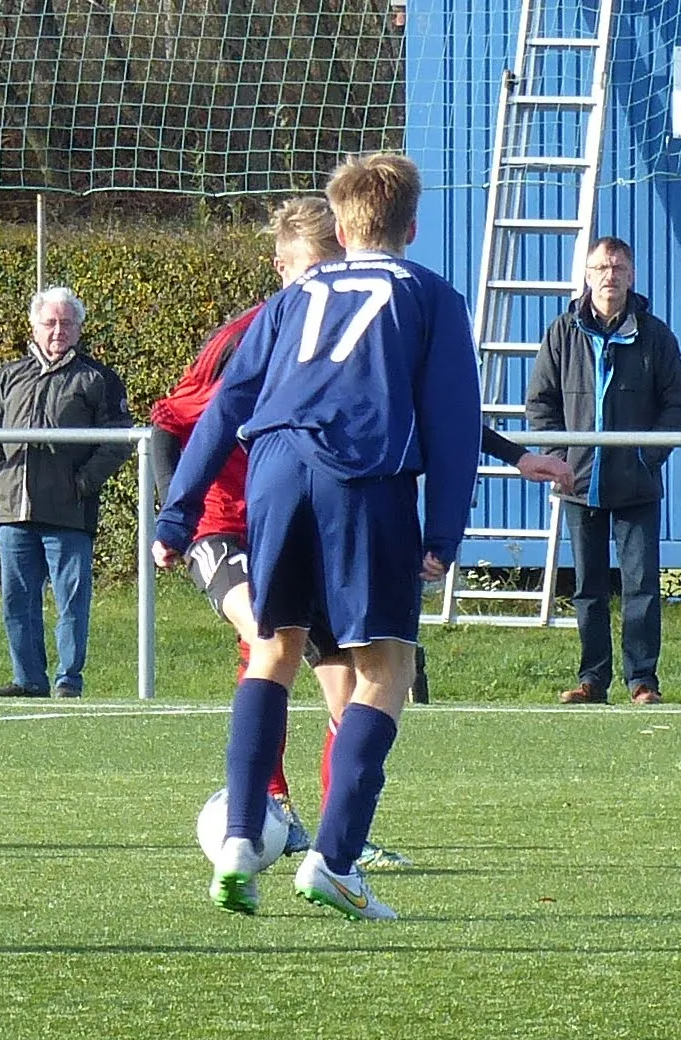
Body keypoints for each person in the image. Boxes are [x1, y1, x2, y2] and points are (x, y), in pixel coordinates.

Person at [151, 196, 573, 870]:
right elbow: (186, 416)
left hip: (290, 506)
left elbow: (428, 404)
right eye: (308, 266)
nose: (327, 278)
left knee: (338, 678)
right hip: (229, 522)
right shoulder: (266, 323)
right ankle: (273, 817)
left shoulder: (324, 309)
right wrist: (178, 511)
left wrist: (513, 453)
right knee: (280, 643)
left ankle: (307, 830)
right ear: (283, 267)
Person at [525, 236, 681, 706]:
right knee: (588, 588)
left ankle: (643, 680)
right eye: (601, 268)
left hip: (637, 483)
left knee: (641, 586)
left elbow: (678, 403)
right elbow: (540, 403)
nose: (609, 276)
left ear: (632, 275)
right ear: (587, 275)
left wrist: (647, 455)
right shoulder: (563, 332)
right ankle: (592, 680)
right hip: (578, 482)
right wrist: (558, 457)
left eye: (618, 268)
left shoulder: (655, 335)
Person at [0, 287, 132, 700]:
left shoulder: (97, 379)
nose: (58, 330)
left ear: (79, 328)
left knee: (71, 603)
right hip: (15, 511)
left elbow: (119, 439)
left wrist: (81, 483)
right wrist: (0, 475)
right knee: (17, 601)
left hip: (69, 514)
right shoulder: (9, 375)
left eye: (66, 323)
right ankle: (28, 679)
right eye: (50, 322)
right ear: (34, 326)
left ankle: (68, 681)